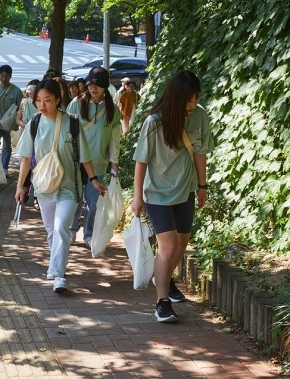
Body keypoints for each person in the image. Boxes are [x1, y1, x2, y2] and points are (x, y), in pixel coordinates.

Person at [132, 70, 213, 323]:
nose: (192, 104)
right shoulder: (154, 122)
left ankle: (163, 276)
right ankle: (161, 301)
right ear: (175, 98)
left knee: (182, 242)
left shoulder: (199, 116)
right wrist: (137, 197)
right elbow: (141, 162)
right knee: (167, 245)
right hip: (156, 193)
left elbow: (200, 153)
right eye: (187, 99)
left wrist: (202, 186)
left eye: (195, 98)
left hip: (185, 189)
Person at [14, 78, 105, 292]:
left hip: (70, 187)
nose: (42, 105)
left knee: (60, 227)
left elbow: (84, 158)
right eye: (38, 100)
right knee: (51, 232)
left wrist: (93, 180)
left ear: (58, 99)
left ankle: (57, 274)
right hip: (44, 186)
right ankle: (59, 265)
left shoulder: (72, 123)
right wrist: (20, 186)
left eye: (47, 100)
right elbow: (26, 158)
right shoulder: (34, 124)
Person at [66, 67, 122, 246]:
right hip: (75, 162)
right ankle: (71, 231)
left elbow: (115, 139)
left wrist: (114, 161)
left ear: (105, 86)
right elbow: (67, 133)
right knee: (74, 199)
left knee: (93, 202)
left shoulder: (112, 110)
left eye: (97, 85)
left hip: (98, 163)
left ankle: (89, 234)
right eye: (90, 84)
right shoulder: (76, 103)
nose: (93, 88)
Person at [0, 64, 24, 176]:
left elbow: (21, 107)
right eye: (1, 76)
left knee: (7, 147)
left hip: (8, 125)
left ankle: (4, 168)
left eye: (6, 76)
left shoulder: (16, 91)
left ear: (10, 76)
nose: (3, 79)